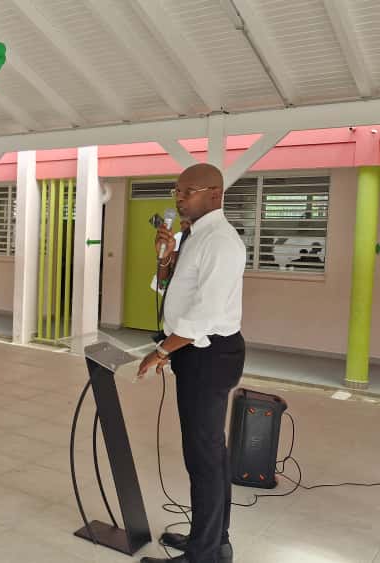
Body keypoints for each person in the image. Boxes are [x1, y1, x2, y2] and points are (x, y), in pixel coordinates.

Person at [138, 163, 246, 563]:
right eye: (177, 191)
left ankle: (204, 553)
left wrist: (162, 350)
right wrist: (165, 258)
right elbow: (171, 291)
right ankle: (214, 540)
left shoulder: (220, 241)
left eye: (188, 191)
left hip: (209, 354)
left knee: (204, 457)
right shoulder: (193, 236)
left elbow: (205, 313)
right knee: (208, 454)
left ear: (215, 194)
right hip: (195, 351)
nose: (180, 199)